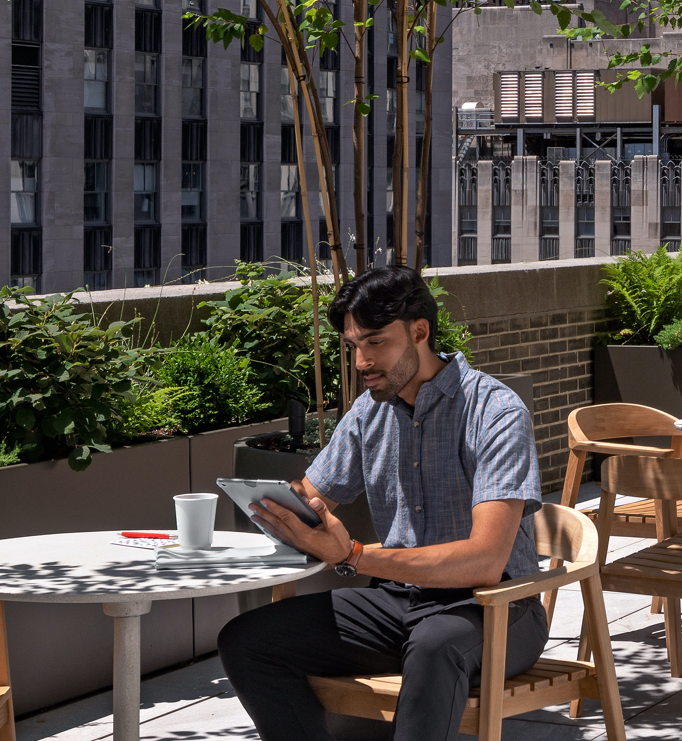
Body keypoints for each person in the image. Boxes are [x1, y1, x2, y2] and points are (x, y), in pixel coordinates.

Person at [219, 265, 546, 741]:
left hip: (497, 608)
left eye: (375, 342)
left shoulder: (494, 413)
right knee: (247, 640)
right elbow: (311, 497)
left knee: (436, 645)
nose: (361, 362)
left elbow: (485, 561)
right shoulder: (369, 411)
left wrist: (351, 554)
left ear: (419, 332)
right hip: (399, 600)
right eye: (354, 346)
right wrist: (284, 514)